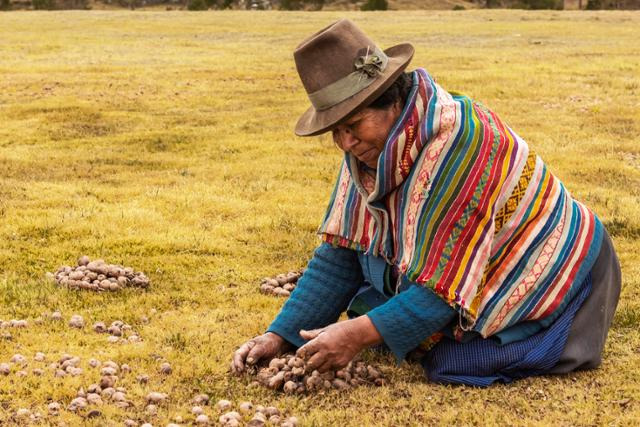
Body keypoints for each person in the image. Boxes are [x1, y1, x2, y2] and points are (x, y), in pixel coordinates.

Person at [230, 19, 622, 386]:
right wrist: (280, 335)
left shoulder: (465, 146)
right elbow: (342, 253)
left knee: (451, 361)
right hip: (452, 273)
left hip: (550, 267)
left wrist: (358, 334)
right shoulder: (369, 153)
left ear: (392, 102)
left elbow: (443, 290)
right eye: (336, 131)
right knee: (387, 317)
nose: (345, 143)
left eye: (354, 126)